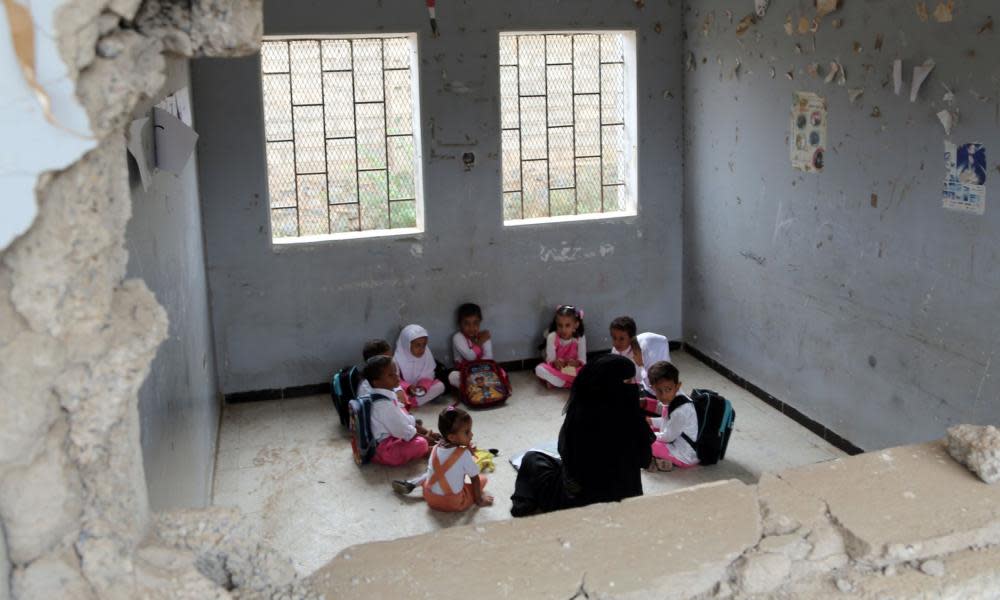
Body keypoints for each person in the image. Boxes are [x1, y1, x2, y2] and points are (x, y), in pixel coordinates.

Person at [511, 354, 653, 516]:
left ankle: (526, 502)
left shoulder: (581, 414)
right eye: (628, 382)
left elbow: (569, 458)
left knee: (532, 459)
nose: (634, 387)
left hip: (581, 502)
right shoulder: (630, 416)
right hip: (625, 498)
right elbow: (644, 459)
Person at [364, 355, 439, 467]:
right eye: (390, 375)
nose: (396, 376)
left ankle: (421, 437)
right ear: (376, 382)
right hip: (384, 450)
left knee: (404, 412)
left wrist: (424, 431)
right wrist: (425, 438)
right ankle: (426, 450)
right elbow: (401, 430)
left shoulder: (385, 394)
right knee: (421, 444)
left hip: (391, 435)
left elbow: (402, 418)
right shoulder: (383, 406)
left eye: (395, 372)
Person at [420, 406, 494, 512]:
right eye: (467, 432)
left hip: (429, 497)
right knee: (483, 479)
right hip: (452, 502)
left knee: (434, 476)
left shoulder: (435, 448)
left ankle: (414, 484)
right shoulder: (464, 454)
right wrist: (479, 499)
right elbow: (474, 479)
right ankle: (474, 500)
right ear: (452, 438)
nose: (471, 434)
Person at [608, 316, 671, 410]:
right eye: (614, 338)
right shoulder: (615, 351)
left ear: (631, 338)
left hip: (648, 388)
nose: (616, 343)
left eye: (621, 339)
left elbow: (646, 380)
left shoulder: (639, 353)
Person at [646, 361, 699, 471]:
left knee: (642, 440)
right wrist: (650, 421)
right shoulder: (675, 399)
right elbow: (667, 422)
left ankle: (661, 460)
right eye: (659, 391)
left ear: (677, 386)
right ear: (652, 388)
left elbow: (667, 437)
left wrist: (648, 434)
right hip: (675, 440)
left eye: (668, 389)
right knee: (646, 428)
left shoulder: (681, 410)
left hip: (684, 456)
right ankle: (659, 460)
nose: (664, 395)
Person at [534, 305, 587, 389]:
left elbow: (583, 360)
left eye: (567, 325)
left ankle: (556, 382)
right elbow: (550, 360)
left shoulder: (580, 337)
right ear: (556, 324)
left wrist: (576, 363)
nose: (563, 329)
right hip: (557, 369)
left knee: (586, 372)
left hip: (573, 370)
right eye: (560, 325)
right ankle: (569, 383)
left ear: (576, 325)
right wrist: (555, 362)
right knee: (539, 369)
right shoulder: (552, 337)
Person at [448, 303, 497, 387]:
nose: (471, 328)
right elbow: (470, 357)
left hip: (482, 371)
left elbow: (489, 357)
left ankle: (478, 386)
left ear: (480, 322)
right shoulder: (458, 337)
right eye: (466, 324)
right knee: (452, 376)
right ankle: (479, 387)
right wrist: (481, 341)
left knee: (502, 372)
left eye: (475, 323)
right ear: (460, 324)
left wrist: (480, 371)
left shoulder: (483, 335)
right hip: (466, 373)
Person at [395, 324, 446, 405]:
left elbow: (428, 375)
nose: (422, 349)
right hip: (404, 389)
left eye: (424, 345)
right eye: (417, 345)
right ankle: (411, 400)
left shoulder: (426, 354)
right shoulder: (397, 359)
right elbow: (395, 381)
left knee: (440, 386)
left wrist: (423, 387)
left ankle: (412, 401)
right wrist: (408, 387)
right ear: (407, 344)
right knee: (395, 393)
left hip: (419, 390)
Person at [357, 338, 410, 407]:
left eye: (391, 357)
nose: (391, 362)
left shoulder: (381, 375)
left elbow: (394, 382)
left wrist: (398, 390)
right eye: (387, 359)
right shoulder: (366, 389)